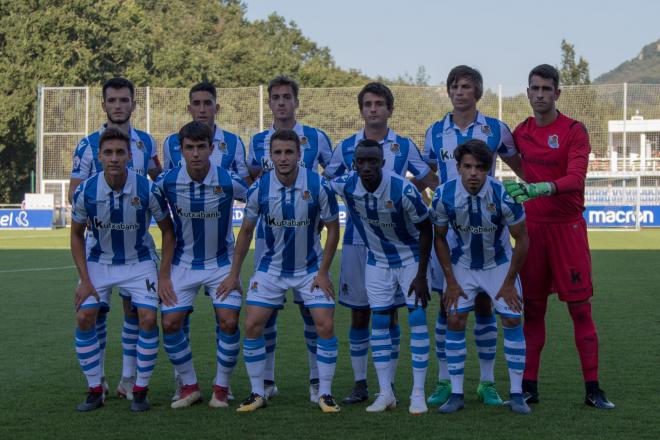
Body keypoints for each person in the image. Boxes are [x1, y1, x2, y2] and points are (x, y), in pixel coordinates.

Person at [504, 64, 614, 409]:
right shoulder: (519, 132)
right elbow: (513, 164)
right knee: (533, 311)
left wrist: (540, 187)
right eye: (534, 89)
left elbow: (576, 179)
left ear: (557, 93)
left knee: (580, 310)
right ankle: (529, 387)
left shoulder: (573, 131)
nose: (540, 95)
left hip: (567, 230)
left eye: (546, 89)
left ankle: (593, 389)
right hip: (532, 232)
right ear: (527, 93)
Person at [325, 82, 438, 404]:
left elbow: (429, 177)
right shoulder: (347, 147)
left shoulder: (403, 146)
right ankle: (362, 383)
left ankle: (396, 387)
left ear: (389, 109)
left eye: (379, 104)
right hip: (359, 244)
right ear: (361, 110)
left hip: (401, 243)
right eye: (368, 104)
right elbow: (328, 181)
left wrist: (412, 188)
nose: (373, 109)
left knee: (396, 314)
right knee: (362, 314)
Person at [218, 129, 341, 413]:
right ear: (269, 157)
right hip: (271, 268)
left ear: (299, 155)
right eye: (278, 153)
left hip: (310, 267)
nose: (283, 158)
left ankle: (325, 393)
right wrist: (234, 274)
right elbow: (246, 231)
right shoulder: (260, 188)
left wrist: (323, 272)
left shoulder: (318, 184)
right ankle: (258, 391)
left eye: (289, 152)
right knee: (252, 324)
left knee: (325, 324)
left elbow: (333, 230)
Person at [422, 65, 523, 407]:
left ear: (478, 92)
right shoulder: (435, 132)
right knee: (447, 306)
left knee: (483, 305)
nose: (459, 91)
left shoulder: (497, 129)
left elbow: (521, 167)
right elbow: (425, 172)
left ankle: (487, 383)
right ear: (448, 91)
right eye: (454, 86)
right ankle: (444, 382)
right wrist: (439, 198)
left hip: (486, 231)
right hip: (450, 230)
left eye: (466, 86)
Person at [68, 77, 163, 400]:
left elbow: (157, 180)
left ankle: (128, 378)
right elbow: (75, 192)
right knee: (94, 312)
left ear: (133, 105)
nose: (119, 106)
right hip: (100, 245)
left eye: (125, 100)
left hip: (136, 248)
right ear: (104, 105)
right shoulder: (87, 144)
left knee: (133, 311)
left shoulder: (146, 142)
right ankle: (97, 382)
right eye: (113, 100)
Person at [247, 75, 334, 402]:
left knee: (311, 314)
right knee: (263, 316)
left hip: (308, 246)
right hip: (269, 247)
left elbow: (335, 172)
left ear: (296, 102)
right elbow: (251, 179)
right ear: (269, 102)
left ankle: (317, 382)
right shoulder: (257, 141)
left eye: (287, 97)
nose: (281, 103)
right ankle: (266, 382)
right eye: (276, 98)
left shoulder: (316, 137)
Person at [161, 81, 250, 400]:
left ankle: (221, 388)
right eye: (189, 148)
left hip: (221, 264)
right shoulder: (166, 183)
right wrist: (163, 275)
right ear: (180, 150)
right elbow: (152, 215)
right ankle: (188, 385)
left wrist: (236, 272)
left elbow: (258, 203)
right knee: (170, 324)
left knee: (228, 321)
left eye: (201, 148)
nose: (196, 153)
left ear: (212, 149)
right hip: (183, 264)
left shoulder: (229, 182)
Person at [432, 139, 530, 415]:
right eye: (467, 166)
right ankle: (457, 393)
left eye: (479, 167)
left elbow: (522, 239)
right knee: (454, 318)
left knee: (512, 316)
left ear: (488, 169)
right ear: (458, 167)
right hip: (462, 264)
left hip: (498, 264)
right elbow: (438, 238)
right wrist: (450, 281)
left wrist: (509, 282)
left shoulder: (504, 195)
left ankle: (516, 393)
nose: (473, 172)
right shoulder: (443, 195)